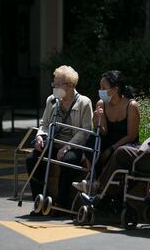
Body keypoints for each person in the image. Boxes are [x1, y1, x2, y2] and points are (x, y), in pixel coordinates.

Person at [26, 65, 93, 215]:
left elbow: (85, 132)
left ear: (69, 85)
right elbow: (44, 123)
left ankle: (61, 203)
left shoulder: (84, 102)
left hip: (74, 145)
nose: (54, 87)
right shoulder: (52, 100)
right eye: (53, 83)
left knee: (68, 161)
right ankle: (40, 201)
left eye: (57, 84)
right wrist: (39, 136)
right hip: (54, 141)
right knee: (32, 159)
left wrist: (67, 147)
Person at [72, 70, 140, 192]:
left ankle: (95, 185)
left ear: (115, 89)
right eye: (100, 87)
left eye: (104, 87)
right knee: (92, 140)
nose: (100, 90)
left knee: (112, 151)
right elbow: (103, 132)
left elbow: (132, 135)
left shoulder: (131, 106)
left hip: (126, 144)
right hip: (108, 140)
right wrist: (96, 119)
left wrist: (111, 149)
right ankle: (92, 180)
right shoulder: (101, 103)